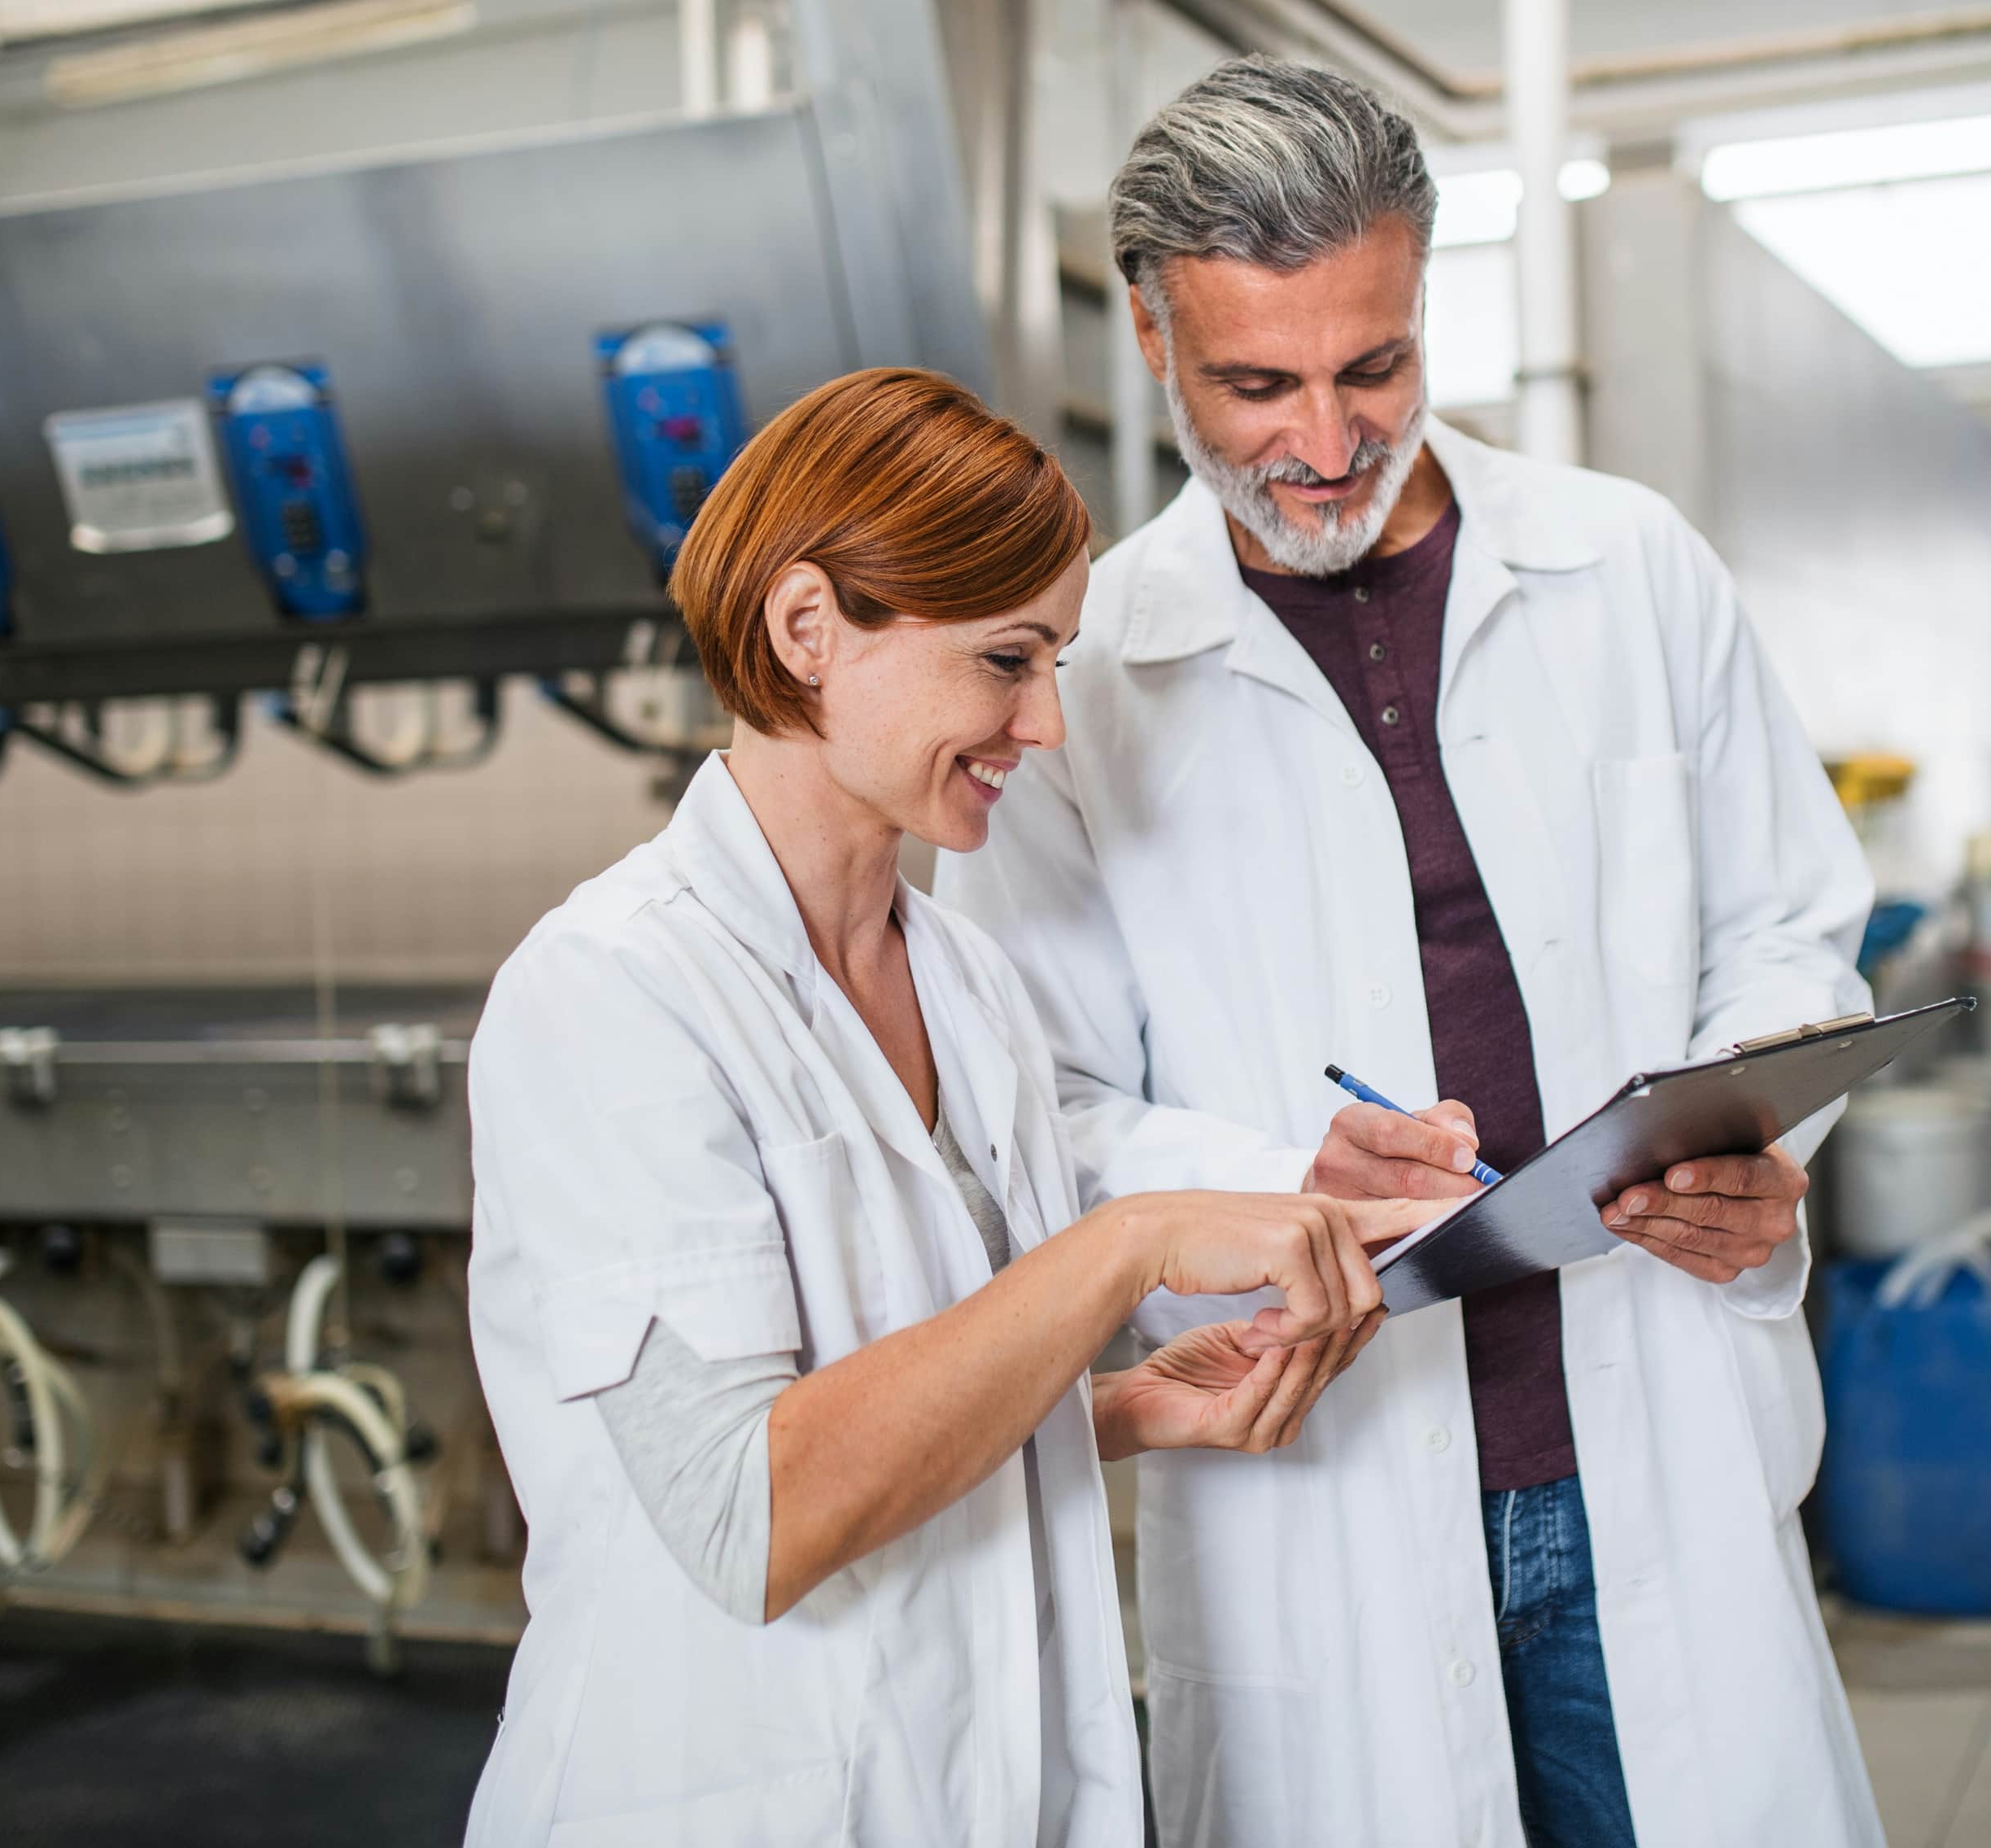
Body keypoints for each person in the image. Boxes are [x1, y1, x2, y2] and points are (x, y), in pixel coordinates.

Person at [941, 57, 1885, 1847]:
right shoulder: (1086, 672)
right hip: (1331, 1477)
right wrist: (1260, 1176)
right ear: (1153, 346)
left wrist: (1757, 1138)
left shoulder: (1629, 566)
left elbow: (1786, 923)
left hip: (1649, 1444)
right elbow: (1037, 1104)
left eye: (1371, 366)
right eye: (1256, 383)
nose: (1323, 438)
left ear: (1428, 305)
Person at [462, 365, 1425, 1846]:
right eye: (1005, 660)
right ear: (807, 630)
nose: (1044, 725)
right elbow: (752, 1517)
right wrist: (1129, 1245)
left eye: (1056, 664)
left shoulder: (967, 982)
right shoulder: (609, 991)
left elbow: (914, 1389)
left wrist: (1105, 1413)